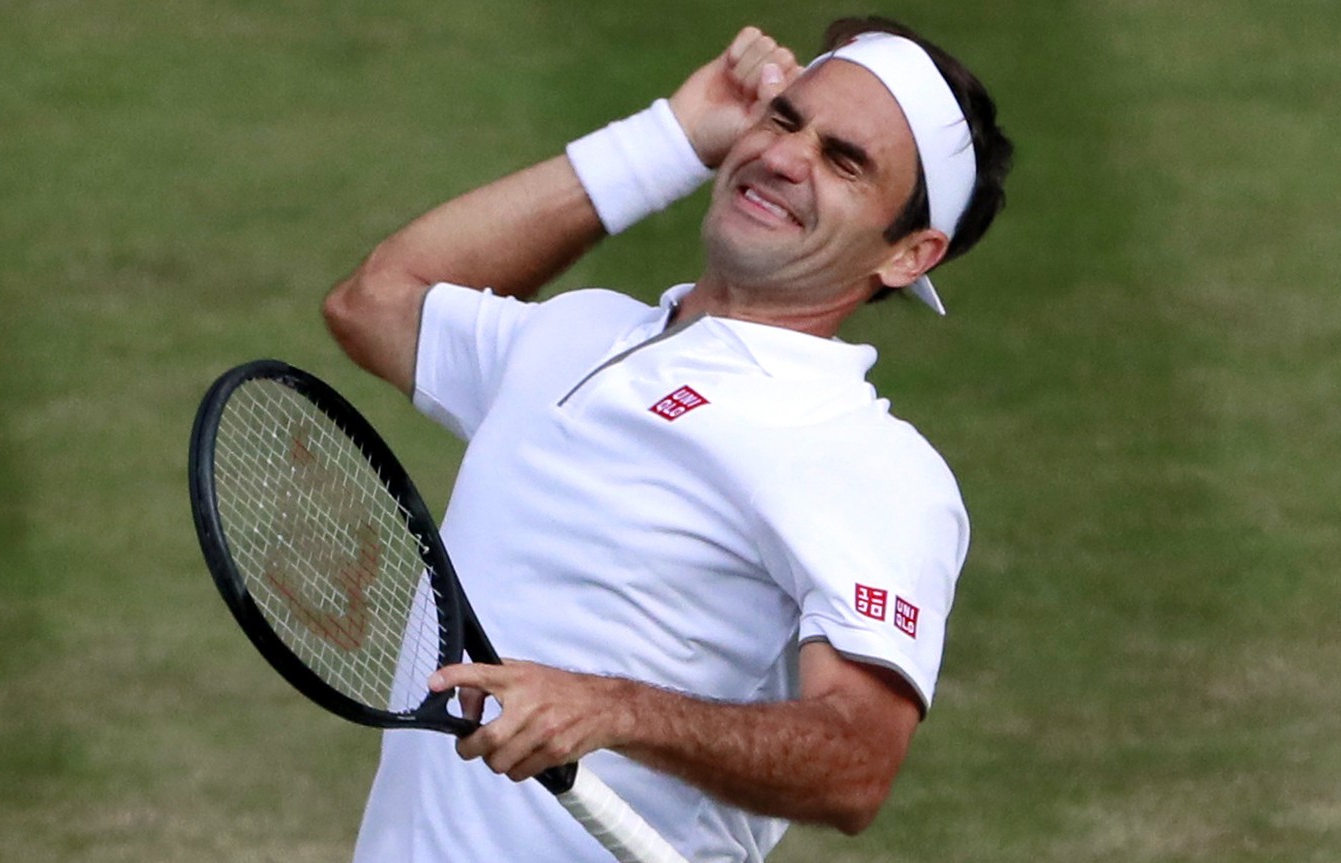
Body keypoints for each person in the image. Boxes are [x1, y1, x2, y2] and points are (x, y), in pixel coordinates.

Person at [324, 15, 1012, 863]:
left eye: (845, 161)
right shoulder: (577, 333)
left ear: (911, 254)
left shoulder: (864, 459)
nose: (786, 158)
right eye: (784, 119)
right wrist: (672, 138)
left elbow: (857, 764)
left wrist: (618, 709)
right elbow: (377, 301)